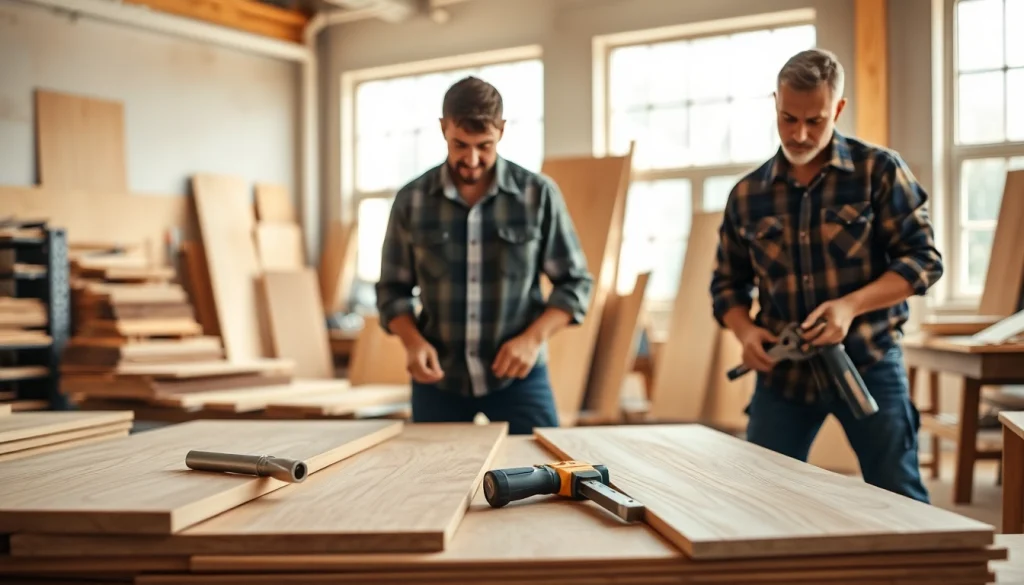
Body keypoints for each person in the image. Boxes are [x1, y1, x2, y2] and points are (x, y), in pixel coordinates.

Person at [709, 48, 943, 503]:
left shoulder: (879, 171)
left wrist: (850, 306)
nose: (799, 134)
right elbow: (726, 285)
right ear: (775, 103)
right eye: (787, 118)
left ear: (837, 108)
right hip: (783, 377)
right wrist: (746, 332)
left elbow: (923, 261)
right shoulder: (747, 194)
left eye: (814, 121)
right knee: (761, 500)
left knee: (900, 496)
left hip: (870, 364)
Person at [375, 76, 593, 435]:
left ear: (502, 131)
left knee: (546, 475)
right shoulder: (411, 201)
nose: (472, 159)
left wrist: (532, 340)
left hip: (519, 377)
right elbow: (391, 291)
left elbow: (575, 283)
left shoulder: (537, 195)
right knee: (433, 483)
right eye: (460, 144)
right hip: (438, 380)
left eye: (484, 146)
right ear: (443, 127)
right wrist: (412, 343)